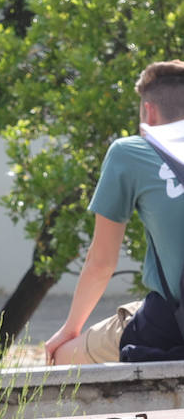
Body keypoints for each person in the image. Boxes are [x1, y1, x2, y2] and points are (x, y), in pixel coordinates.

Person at [45, 61, 184, 365]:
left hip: (171, 327)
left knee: (62, 358)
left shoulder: (130, 151)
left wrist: (70, 329)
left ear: (148, 112)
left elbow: (101, 262)